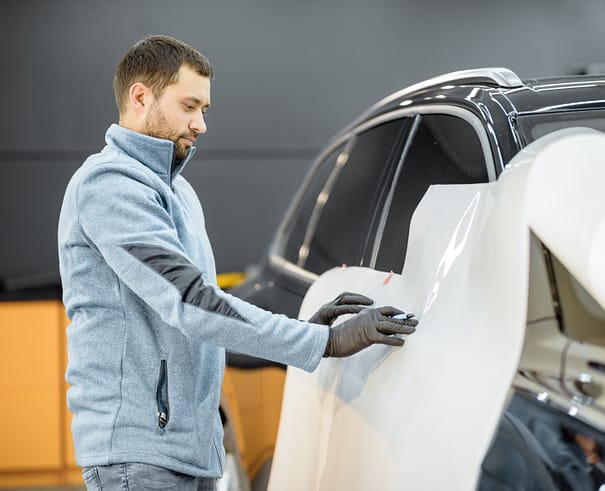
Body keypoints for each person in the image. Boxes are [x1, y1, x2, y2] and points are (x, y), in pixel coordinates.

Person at [57, 34, 417, 491]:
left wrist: (301, 322)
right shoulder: (109, 186)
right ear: (140, 96)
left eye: (204, 110)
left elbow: (202, 312)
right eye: (189, 106)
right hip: (138, 457)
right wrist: (321, 340)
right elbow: (190, 302)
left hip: (193, 452)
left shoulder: (178, 192)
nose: (201, 124)